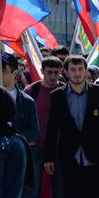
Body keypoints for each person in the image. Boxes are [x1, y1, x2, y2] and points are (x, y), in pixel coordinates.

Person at [44, 55, 99, 198]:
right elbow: (52, 128)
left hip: (95, 154)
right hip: (69, 155)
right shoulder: (57, 95)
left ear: (86, 70)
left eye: (80, 69)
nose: (77, 73)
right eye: (73, 69)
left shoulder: (97, 92)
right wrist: (48, 157)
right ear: (66, 72)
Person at [24, 56, 64, 198]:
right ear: (42, 71)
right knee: (33, 189)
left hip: (60, 147)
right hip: (36, 147)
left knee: (60, 190)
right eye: (49, 72)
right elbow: (22, 117)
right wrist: (28, 139)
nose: (53, 76)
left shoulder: (65, 91)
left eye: (56, 72)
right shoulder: (30, 90)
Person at [0, 53, 39, 144]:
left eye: (3, 71)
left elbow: (34, 132)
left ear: (15, 73)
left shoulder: (27, 101)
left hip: (17, 154)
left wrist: (13, 138)